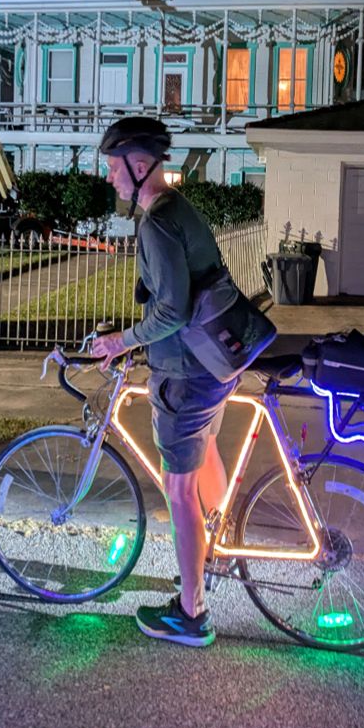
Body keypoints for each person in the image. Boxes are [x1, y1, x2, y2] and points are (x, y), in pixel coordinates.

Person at [91, 116, 236, 647]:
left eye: (113, 167)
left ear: (139, 164)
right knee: (207, 453)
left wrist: (120, 341)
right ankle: (213, 552)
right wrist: (133, 336)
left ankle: (192, 613)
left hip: (186, 371)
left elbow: (171, 310)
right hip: (212, 362)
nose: (109, 177)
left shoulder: (156, 221)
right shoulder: (175, 209)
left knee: (178, 488)